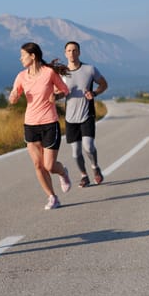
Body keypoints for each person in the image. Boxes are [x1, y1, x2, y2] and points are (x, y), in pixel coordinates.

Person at [9, 42, 71, 210]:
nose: (20, 58)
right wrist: (14, 96)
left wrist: (56, 96)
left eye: (23, 55)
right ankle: (52, 197)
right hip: (30, 124)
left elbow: (64, 89)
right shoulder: (21, 76)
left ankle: (63, 172)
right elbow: (13, 99)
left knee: (49, 166)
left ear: (33, 56)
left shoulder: (48, 73)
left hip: (49, 123)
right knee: (38, 164)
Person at [62, 41, 108, 187]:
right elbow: (57, 93)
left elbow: (104, 84)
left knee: (88, 146)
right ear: (65, 53)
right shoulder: (61, 72)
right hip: (70, 117)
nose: (72, 53)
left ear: (79, 52)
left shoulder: (90, 69)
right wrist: (55, 96)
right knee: (75, 152)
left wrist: (94, 93)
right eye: (69, 51)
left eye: (74, 50)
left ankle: (95, 168)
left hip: (87, 114)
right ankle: (84, 176)